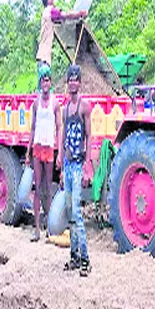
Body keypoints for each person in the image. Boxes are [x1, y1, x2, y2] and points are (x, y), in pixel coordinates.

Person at [58, 64, 92, 276]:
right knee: (70, 211)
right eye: (70, 79)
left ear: (80, 83)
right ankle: (74, 256)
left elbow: (90, 137)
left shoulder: (84, 107)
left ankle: (86, 260)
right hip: (68, 166)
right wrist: (60, 165)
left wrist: (88, 166)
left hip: (79, 165)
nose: (72, 82)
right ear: (67, 82)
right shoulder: (64, 110)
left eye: (76, 79)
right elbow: (62, 139)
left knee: (77, 213)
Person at [26, 64, 62, 242]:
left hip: (49, 148)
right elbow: (32, 128)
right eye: (42, 80)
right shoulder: (35, 103)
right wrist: (28, 151)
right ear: (39, 82)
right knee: (37, 187)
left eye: (47, 79)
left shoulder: (55, 103)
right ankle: (37, 228)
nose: (45, 83)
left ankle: (49, 227)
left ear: (50, 82)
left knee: (48, 188)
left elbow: (59, 127)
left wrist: (59, 152)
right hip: (37, 148)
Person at [36, 0, 87, 69]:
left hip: (41, 57)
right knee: (45, 80)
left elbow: (62, 21)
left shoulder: (46, 13)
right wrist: (79, 13)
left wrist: (77, 17)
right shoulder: (51, 10)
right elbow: (66, 15)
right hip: (44, 58)